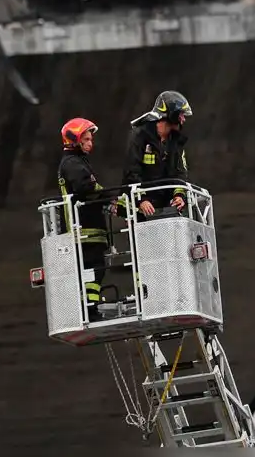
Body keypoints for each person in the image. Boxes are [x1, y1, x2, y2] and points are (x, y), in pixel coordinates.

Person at [57, 117, 110, 320]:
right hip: (83, 228)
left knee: (96, 269)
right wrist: (109, 197)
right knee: (93, 269)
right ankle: (89, 308)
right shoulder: (72, 163)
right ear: (75, 140)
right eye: (86, 139)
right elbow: (86, 187)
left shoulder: (77, 162)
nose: (90, 143)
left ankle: (91, 306)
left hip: (89, 227)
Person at [120, 91, 193, 218]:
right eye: (181, 115)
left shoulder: (176, 141)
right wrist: (141, 200)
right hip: (142, 209)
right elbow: (131, 172)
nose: (183, 119)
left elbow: (180, 173)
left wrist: (179, 196)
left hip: (166, 206)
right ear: (172, 113)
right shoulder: (140, 136)